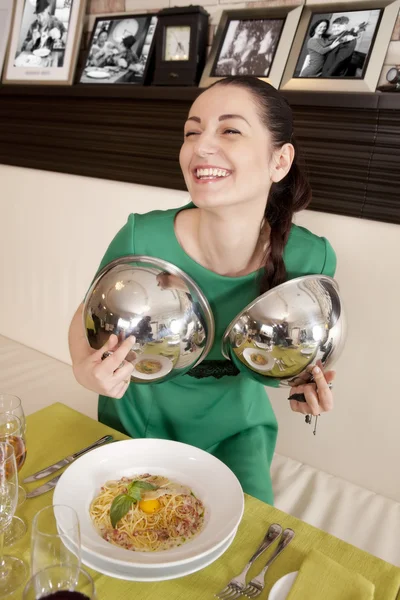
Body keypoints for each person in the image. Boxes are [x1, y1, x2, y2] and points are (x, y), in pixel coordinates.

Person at [68, 76, 336, 505]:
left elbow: (297, 360)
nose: (200, 146)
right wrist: (84, 369)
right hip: (135, 425)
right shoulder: (141, 238)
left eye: (229, 130)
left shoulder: (312, 261)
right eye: (192, 132)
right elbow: (88, 320)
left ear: (280, 160)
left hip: (238, 435)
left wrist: (304, 386)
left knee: (246, 547)